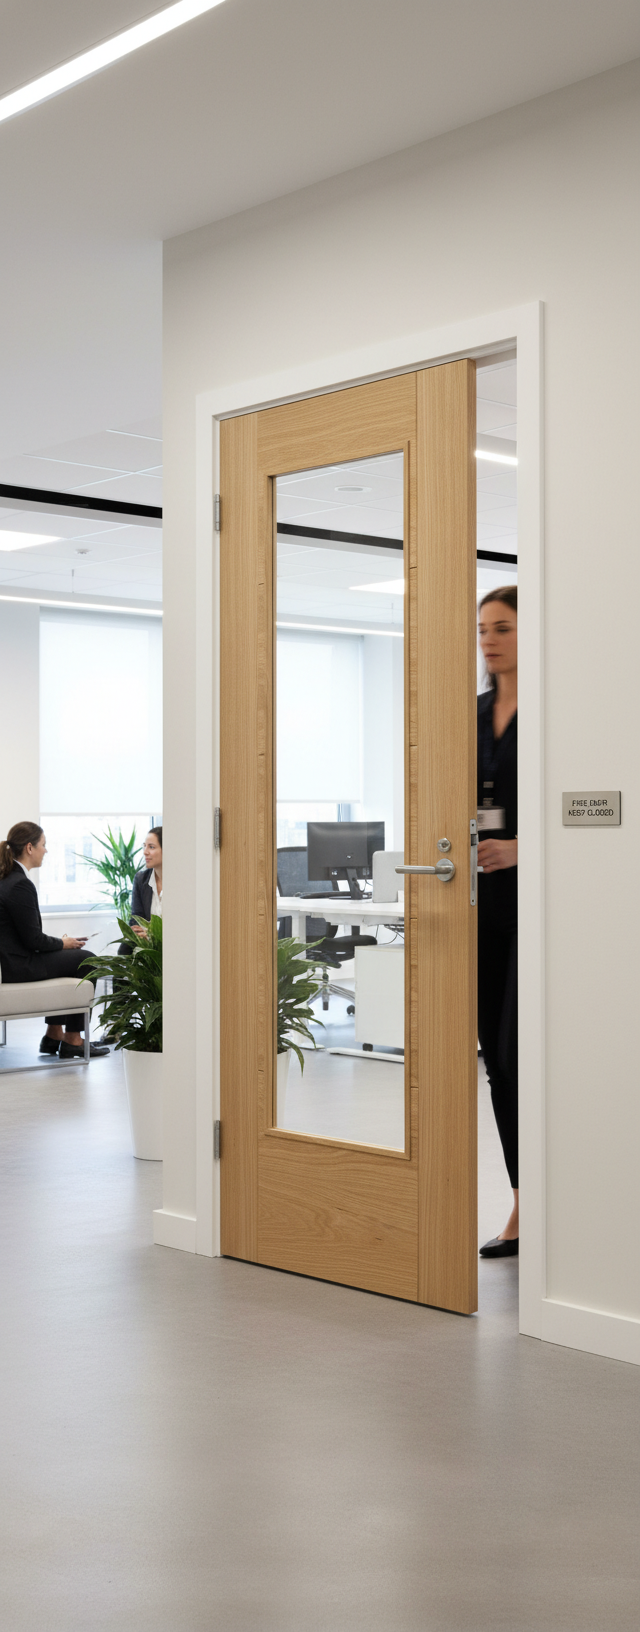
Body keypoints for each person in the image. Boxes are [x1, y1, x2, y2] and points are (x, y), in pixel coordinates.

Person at [476, 586, 518, 1258]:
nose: (489, 640)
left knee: (523, 1050)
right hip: (483, 901)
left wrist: (525, 847)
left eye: (503, 627)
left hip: (543, 899)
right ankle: (523, 1201)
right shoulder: (478, 711)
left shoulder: (565, 705)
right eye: (484, 628)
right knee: (496, 1059)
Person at [0, 821, 109, 1059]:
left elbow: (25, 937)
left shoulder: (7, 879)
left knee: (71, 959)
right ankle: (73, 1040)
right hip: (17, 966)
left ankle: (53, 1034)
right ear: (30, 848)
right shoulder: (19, 884)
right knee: (88, 961)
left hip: (11, 961)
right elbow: (33, 941)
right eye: (43, 845)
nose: (45, 851)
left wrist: (61, 944)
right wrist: (63, 943)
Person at [129, 827, 162, 931]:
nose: (145, 852)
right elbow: (136, 919)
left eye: (151, 847)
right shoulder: (141, 879)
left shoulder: (181, 882)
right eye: (144, 846)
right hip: (144, 944)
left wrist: (149, 933)